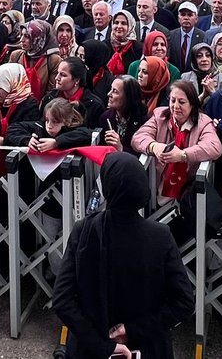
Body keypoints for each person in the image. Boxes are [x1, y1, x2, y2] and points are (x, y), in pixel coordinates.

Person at [52, 152, 194, 359]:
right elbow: (183, 302)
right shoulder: (160, 236)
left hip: (90, 347)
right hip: (145, 346)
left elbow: (62, 299)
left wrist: (100, 344)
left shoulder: (84, 230)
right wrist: (133, 329)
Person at [101, 75, 148, 155]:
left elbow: (143, 156)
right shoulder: (106, 117)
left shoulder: (144, 122)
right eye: (110, 89)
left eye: (115, 91)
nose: (109, 94)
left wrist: (120, 148)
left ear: (128, 97)